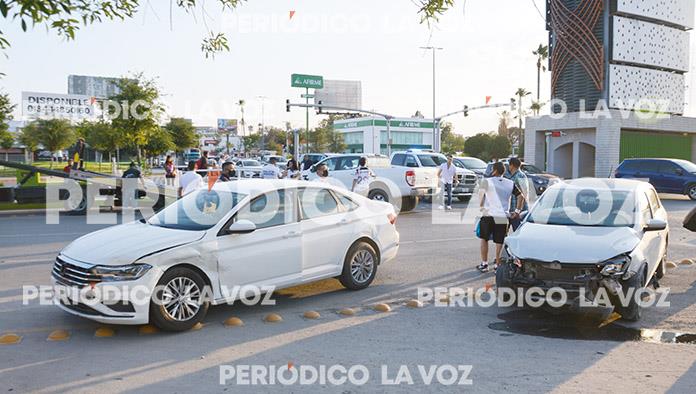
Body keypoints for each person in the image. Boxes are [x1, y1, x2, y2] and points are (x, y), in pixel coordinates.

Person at [476, 161, 524, 273]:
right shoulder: (510, 183)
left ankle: (484, 264)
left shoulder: (487, 181)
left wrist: (482, 206)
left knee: (484, 239)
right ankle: (497, 265)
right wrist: (517, 211)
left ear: (495, 170)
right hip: (503, 215)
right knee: (499, 241)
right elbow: (520, 196)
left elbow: (480, 195)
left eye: (493, 169)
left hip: (488, 215)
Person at [506, 157, 528, 231]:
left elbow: (524, 193)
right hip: (510, 211)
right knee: (503, 233)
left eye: (509, 165)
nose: (508, 167)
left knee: (518, 232)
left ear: (512, 165)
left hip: (517, 212)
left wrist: (518, 210)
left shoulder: (520, 176)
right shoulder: (511, 176)